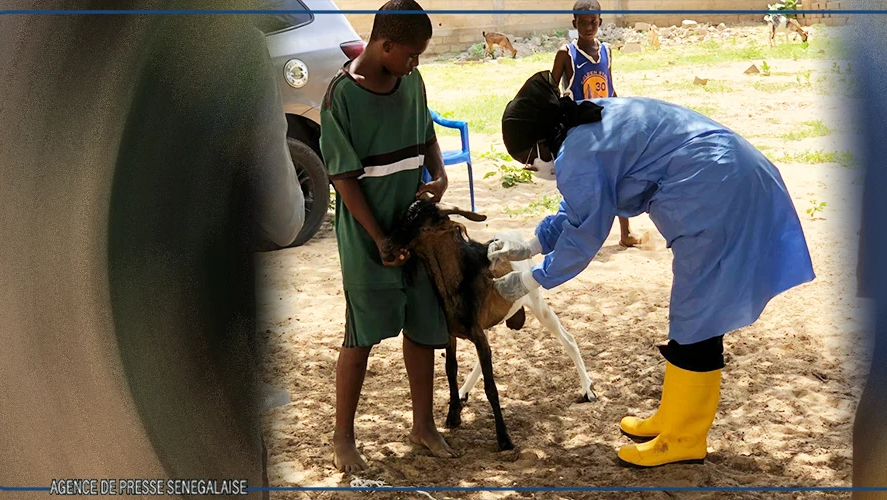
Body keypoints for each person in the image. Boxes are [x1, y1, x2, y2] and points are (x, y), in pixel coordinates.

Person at [488, 71, 816, 468]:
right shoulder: (587, 121)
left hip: (716, 188)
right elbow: (578, 210)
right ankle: (673, 417)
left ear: (542, 143)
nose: (531, 169)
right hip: (723, 171)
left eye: (526, 161)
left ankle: (684, 436)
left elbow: (584, 238)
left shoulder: (578, 152)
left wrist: (529, 278)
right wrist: (534, 243)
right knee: (693, 312)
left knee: (698, 315)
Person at [318, 0, 457, 472]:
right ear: (386, 44)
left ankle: (423, 425)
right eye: (411, 54)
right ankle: (343, 438)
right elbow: (344, 179)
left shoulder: (411, 81)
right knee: (361, 334)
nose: (415, 64)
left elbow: (427, 136)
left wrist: (438, 178)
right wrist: (379, 239)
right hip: (366, 234)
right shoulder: (341, 96)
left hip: (416, 226)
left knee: (423, 322)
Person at [548, 0, 641, 248]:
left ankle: (625, 231)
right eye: (583, 22)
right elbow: (551, 91)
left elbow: (610, 87)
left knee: (618, 175)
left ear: (600, 22)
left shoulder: (607, 51)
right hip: (581, 130)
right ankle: (572, 232)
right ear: (574, 23)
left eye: (593, 22)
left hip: (607, 125)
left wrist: (623, 114)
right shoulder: (566, 54)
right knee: (581, 182)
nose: (588, 27)